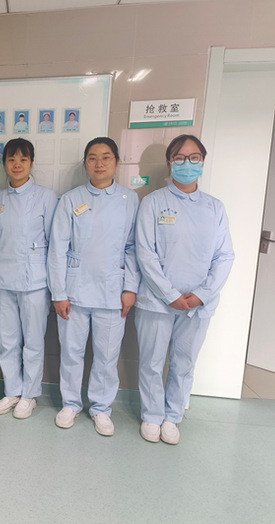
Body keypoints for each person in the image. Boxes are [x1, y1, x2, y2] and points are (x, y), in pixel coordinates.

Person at [134, 134, 234, 445]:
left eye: (194, 158)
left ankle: (172, 416)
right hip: (157, 301)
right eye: (179, 158)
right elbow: (145, 253)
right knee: (151, 362)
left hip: (197, 304)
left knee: (184, 363)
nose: (186, 163)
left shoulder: (214, 208)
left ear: (202, 162)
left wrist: (202, 294)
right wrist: (171, 295)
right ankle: (152, 415)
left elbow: (224, 256)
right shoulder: (152, 203)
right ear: (169, 163)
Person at [48, 137, 140, 437]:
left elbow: (133, 248)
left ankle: (101, 408)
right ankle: (70, 404)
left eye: (106, 157)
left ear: (116, 162)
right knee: (71, 352)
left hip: (113, 291)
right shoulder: (71, 199)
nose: (99, 163)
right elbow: (57, 249)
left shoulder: (129, 199)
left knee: (107, 356)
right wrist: (58, 293)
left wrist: (130, 288)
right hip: (74, 291)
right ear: (85, 163)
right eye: (92, 158)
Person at [0, 138, 58, 419]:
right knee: (7, 340)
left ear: (31, 163)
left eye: (23, 159)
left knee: (32, 341)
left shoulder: (46, 196)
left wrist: (55, 286)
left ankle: (29, 395)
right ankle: (12, 391)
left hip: (35, 281)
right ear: (4, 164)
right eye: (11, 159)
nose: (17, 164)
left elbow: (55, 243)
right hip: (2, 279)